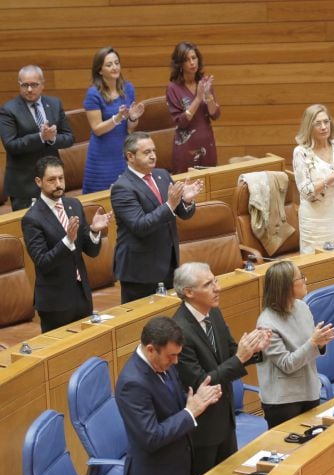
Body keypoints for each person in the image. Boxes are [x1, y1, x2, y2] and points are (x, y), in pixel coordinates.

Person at [173, 262, 271, 475]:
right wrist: (240, 357)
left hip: (226, 422)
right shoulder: (179, 331)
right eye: (209, 284)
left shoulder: (213, 313)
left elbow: (230, 352)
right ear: (189, 292)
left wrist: (255, 349)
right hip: (203, 432)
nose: (218, 288)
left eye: (215, 280)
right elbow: (200, 383)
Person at [115, 316, 223, 475]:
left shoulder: (164, 363)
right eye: (171, 355)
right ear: (151, 350)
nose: (175, 361)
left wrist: (196, 399)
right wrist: (190, 412)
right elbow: (151, 437)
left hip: (175, 472)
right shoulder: (132, 384)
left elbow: (172, 401)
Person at [21, 156, 111, 332]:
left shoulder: (74, 205)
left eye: (61, 178)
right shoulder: (32, 219)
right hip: (55, 302)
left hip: (81, 294)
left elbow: (91, 251)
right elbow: (43, 262)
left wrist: (94, 230)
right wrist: (67, 240)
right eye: (52, 180)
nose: (58, 184)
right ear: (39, 181)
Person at [111, 131, 203, 304]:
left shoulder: (162, 175)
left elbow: (182, 213)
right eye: (147, 152)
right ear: (130, 156)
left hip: (168, 263)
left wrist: (187, 200)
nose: (153, 156)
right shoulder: (122, 188)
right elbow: (140, 225)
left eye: (153, 151)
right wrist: (170, 204)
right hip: (140, 272)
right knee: (142, 324)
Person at [256, 261, 334, 428]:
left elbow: (309, 348)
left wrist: (321, 343)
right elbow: (287, 364)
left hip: (309, 389)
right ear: (287, 287)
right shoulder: (266, 323)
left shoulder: (302, 307)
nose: (305, 280)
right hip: (283, 401)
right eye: (301, 277)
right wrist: (313, 342)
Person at [0, 65, 74, 211]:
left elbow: (69, 137)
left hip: (53, 181)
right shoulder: (8, 110)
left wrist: (52, 139)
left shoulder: (54, 104)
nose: (29, 89)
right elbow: (11, 145)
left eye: (34, 84)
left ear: (42, 84)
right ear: (19, 85)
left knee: (58, 227)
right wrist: (40, 137)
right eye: (25, 85)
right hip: (24, 185)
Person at [292, 104, 334, 253]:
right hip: (315, 220)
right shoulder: (301, 152)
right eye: (318, 123)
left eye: (326, 122)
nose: (323, 127)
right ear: (309, 126)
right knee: (317, 265)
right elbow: (305, 191)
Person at [82, 47, 145, 194]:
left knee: (125, 196)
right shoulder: (93, 94)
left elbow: (129, 128)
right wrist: (116, 118)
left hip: (122, 153)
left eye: (116, 63)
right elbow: (96, 128)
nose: (114, 67)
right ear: (100, 70)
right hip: (102, 156)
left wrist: (132, 117)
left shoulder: (128, 89)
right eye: (109, 65)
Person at [166, 42, 221, 173]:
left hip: (207, 144)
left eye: (194, 58)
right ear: (180, 64)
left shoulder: (203, 82)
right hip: (186, 148)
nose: (192, 63)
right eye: (187, 59)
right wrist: (198, 98)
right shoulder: (173, 88)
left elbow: (215, 114)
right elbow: (182, 122)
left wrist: (208, 96)